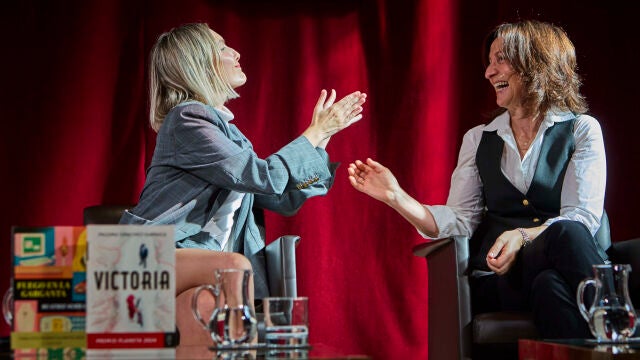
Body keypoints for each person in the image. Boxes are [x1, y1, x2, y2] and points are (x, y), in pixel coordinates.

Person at [348, 20, 606, 338]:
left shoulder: (582, 130)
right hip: (502, 278)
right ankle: (619, 322)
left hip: (558, 269)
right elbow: (459, 222)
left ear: (536, 62)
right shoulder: (478, 139)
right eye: (489, 62)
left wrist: (523, 235)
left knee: (550, 284)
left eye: (500, 59)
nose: (488, 72)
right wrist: (395, 196)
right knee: (560, 246)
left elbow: (583, 217)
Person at [120, 22, 366, 341]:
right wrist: (314, 132)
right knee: (236, 267)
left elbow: (282, 199)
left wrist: (322, 139)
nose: (235, 53)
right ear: (198, 62)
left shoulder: (229, 134)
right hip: (146, 257)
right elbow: (264, 176)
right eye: (223, 47)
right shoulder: (187, 119)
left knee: (207, 308)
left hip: (199, 263)